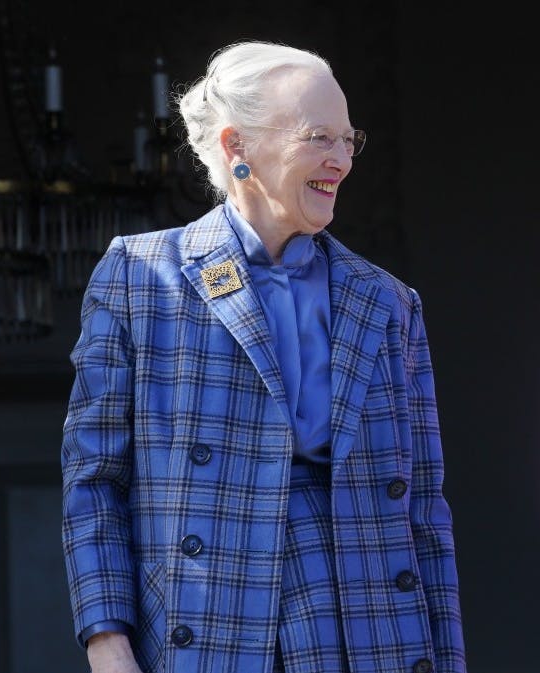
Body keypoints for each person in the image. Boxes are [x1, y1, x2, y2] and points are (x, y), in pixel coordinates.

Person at [61, 41, 465, 673]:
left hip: (369, 632)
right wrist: (106, 641)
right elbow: (94, 480)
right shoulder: (140, 276)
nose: (341, 161)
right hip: (214, 629)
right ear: (236, 147)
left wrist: (448, 660)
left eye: (348, 140)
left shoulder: (388, 302)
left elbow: (423, 511)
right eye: (318, 138)